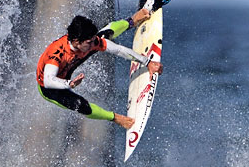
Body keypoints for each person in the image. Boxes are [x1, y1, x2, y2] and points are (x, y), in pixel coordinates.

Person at [35, 9, 163, 130]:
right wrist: (69, 84)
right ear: (76, 41)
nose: (93, 44)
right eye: (89, 42)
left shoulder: (89, 42)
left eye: (92, 40)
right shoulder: (57, 54)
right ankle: (115, 118)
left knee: (104, 36)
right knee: (81, 106)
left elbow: (118, 49)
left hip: (67, 69)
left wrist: (147, 62)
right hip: (50, 88)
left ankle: (132, 21)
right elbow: (48, 80)